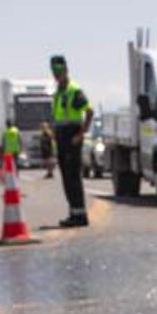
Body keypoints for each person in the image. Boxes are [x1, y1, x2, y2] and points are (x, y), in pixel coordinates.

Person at [47, 53, 92, 227]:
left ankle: (80, 215)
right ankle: (74, 213)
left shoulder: (74, 90)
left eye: (59, 70)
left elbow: (89, 112)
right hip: (62, 139)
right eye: (54, 70)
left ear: (66, 69)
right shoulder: (59, 92)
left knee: (73, 177)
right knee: (66, 177)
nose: (56, 74)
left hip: (72, 137)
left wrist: (81, 134)